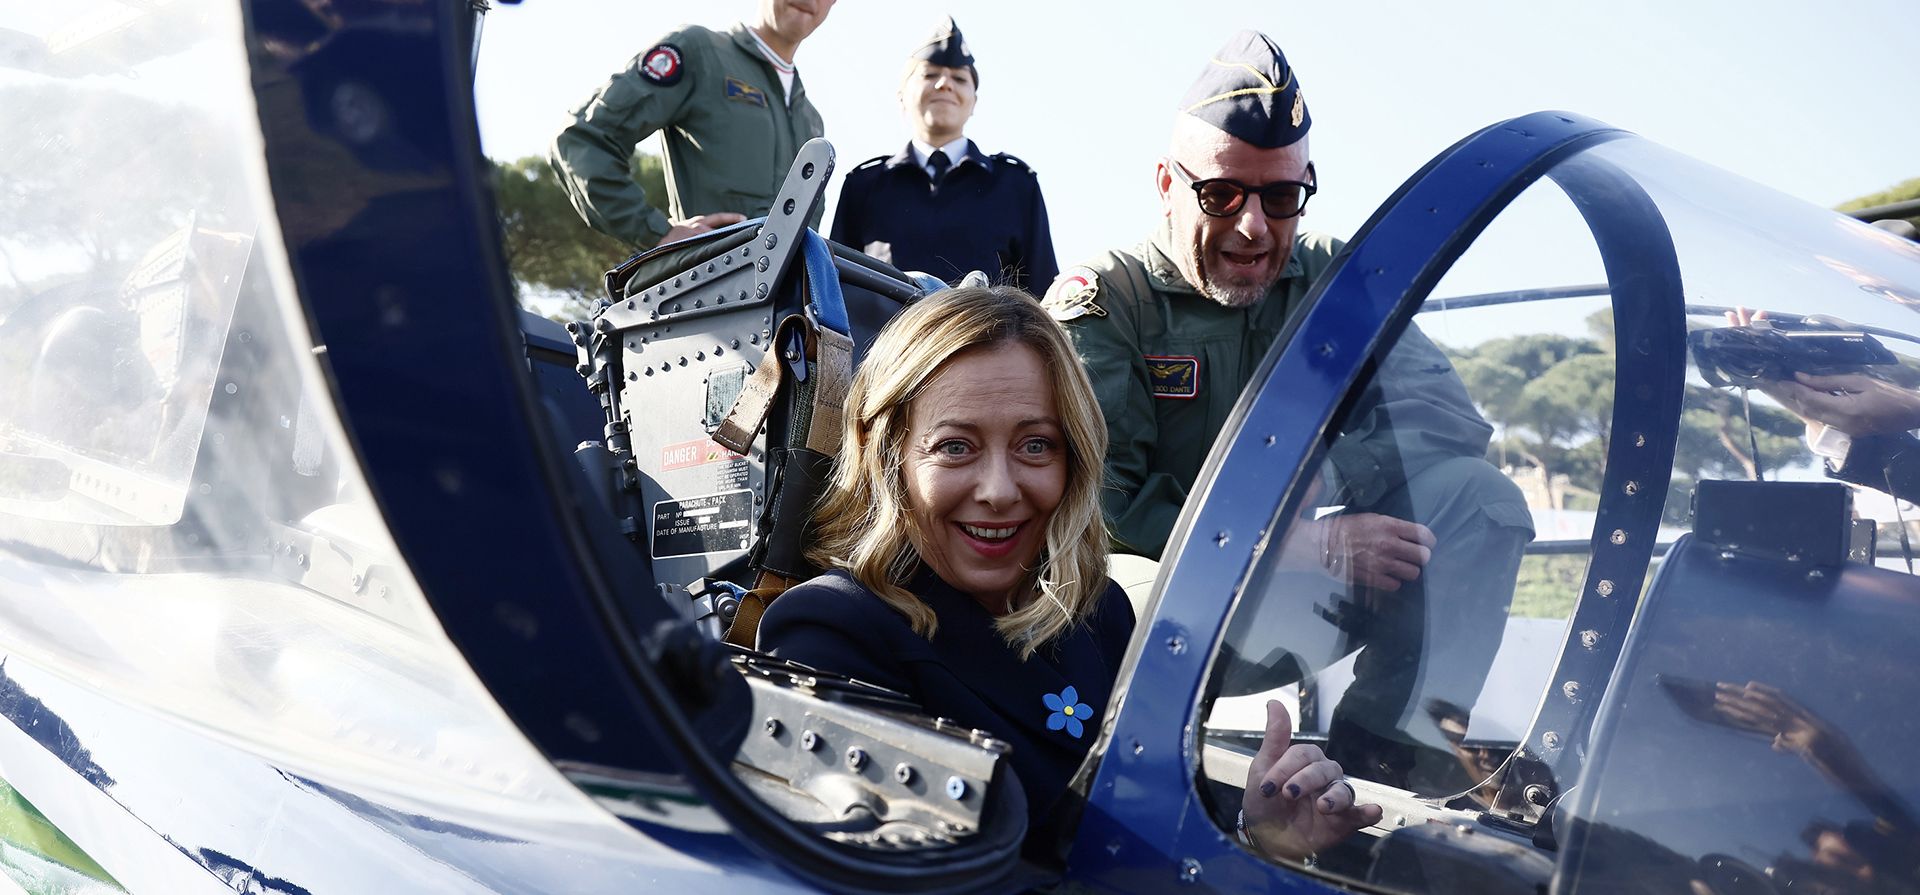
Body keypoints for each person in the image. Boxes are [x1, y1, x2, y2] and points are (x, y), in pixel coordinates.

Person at [1046, 31, 1533, 793]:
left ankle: (1387, 757)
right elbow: (1102, 505)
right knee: (1130, 587)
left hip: (1296, 595)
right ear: (1167, 185)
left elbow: (1447, 422)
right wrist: (1290, 542)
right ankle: (1127, 782)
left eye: (1280, 198)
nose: (1253, 227)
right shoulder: (1108, 301)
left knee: (1481, 500)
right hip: (1157, 596)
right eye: (1222, 194)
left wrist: (1332, 473)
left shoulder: (1335, 282)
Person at [758, 286, 1378, 856]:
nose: (1000, 491)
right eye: (955, 447)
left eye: (1036, 445)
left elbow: (1134, 839)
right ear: (889, 455)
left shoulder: (1096, 614)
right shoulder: (830, 633)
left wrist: (1256, 835)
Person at [549, 0, 836, 250]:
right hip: (702, 298)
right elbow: (582, 138)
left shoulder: (810, 121)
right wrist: (657, 233)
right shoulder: (701, 52)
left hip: (788, 308)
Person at [828, 19, 1058, 290]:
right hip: (887, 333)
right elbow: (835, 287)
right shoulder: (863, 186)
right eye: (929, 75)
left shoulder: (1016, 186)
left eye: (959, 78)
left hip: (982, 332)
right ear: (902, 96)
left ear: (974, 102)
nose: (945, 84)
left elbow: (1041, 296)